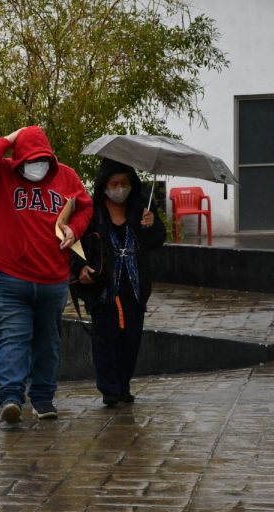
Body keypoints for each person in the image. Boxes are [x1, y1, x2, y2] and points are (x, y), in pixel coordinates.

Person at [0, 126, 92, 423]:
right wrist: (10, 138)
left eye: (41, 159)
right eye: (29, 159)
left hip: (52, 279)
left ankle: (43, 398)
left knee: (48, 342)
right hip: (10, 278)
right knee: (13, 338)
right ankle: (11, 397)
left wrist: (75, 230)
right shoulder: (1, 174)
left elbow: (85, 207)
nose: (35, 166)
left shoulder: (67, 176)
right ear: (17, 156)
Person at [70, 158, 165, 406]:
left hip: (134, 288)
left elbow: (157, 241)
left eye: (124, 183)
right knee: (105, 341)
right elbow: (73, 244)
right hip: (104, 289)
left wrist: (152, 225)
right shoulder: (91, 212)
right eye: (114, 183)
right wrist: (81, 268)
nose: (119, 188)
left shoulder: (141, 209)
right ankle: (110, 390)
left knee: (130, 340)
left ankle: (124, 386)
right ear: (104, 185)